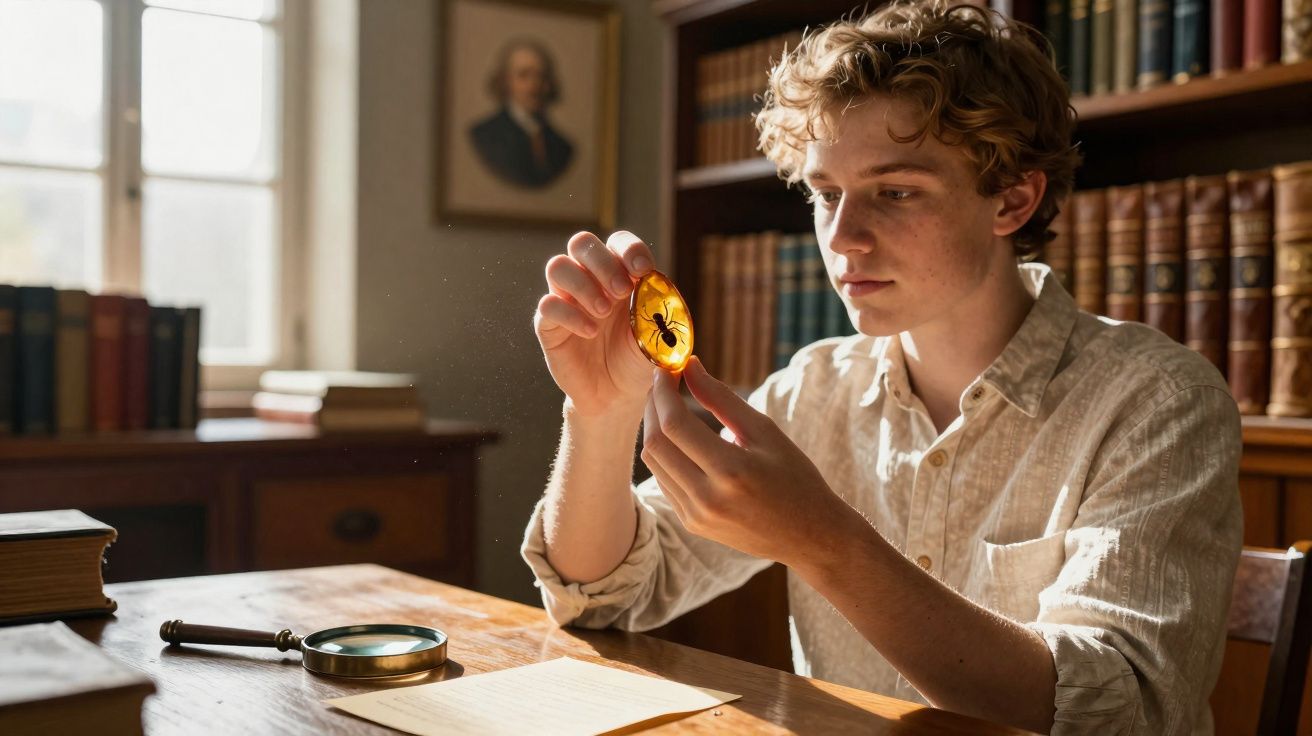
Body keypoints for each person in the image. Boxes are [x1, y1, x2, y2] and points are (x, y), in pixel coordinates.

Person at [522, 1, 1241, 733]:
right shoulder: (815, 388)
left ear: (1014, 199)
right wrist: (602, 412)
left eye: (894, 192)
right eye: (825, 194)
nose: (842, 238)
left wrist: (824, 542)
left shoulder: (1157, 400)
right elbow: (603, 594)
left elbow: (1120, 714)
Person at [469, 39, 573, 189]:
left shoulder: (563, 146)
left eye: (541, 76)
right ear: (505, 81)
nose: (534, 85)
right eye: (524, 75)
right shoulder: (484, 135)